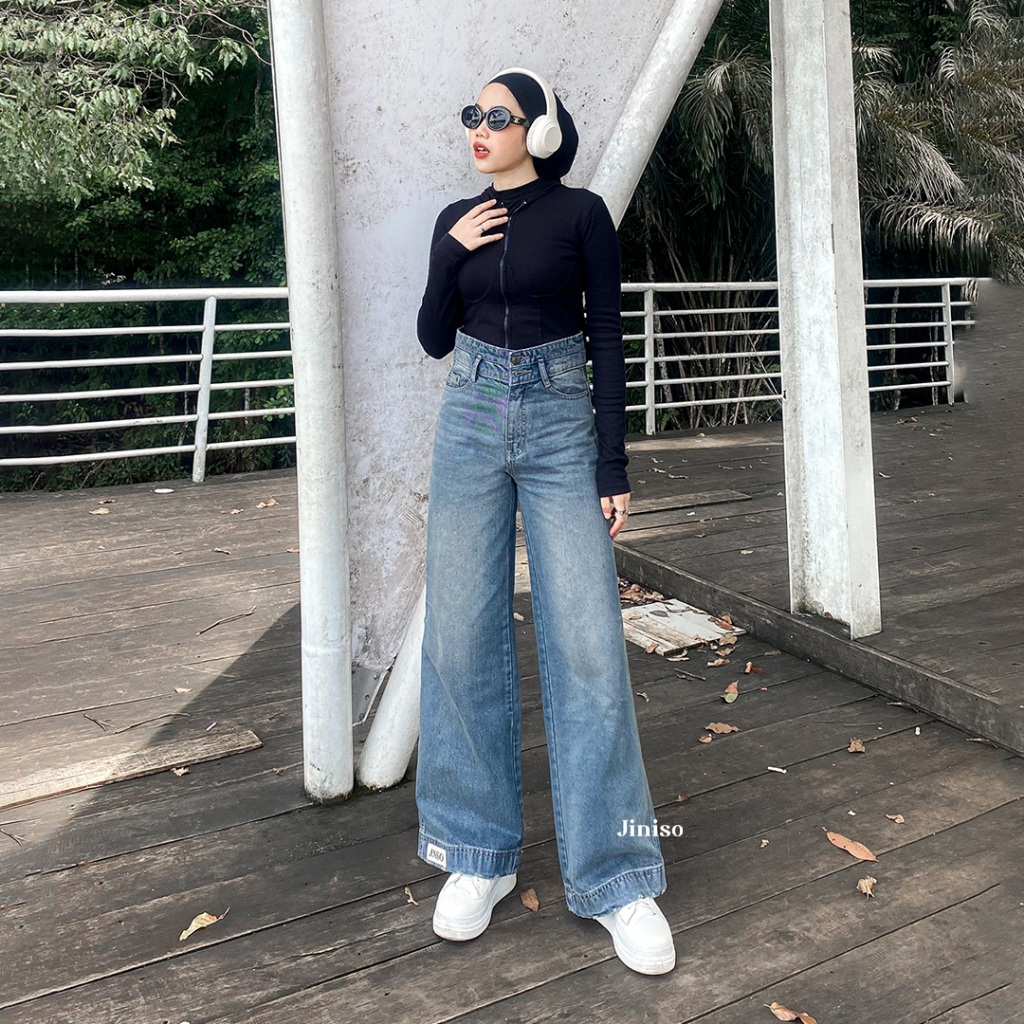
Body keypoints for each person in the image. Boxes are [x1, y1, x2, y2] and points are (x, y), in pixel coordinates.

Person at [414, 66, 675, 976]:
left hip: (563, 419)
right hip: (469, 415)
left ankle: (618, 873)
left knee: (589, 642)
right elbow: (433, 337)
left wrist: (614, 461)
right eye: (472, 114)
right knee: (459, 634)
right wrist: (447, 253)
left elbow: (606, 336)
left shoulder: (583, 215)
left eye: (497, 115)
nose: (479, 127)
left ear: (540, 129)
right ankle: (475, 853)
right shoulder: (457, 216)